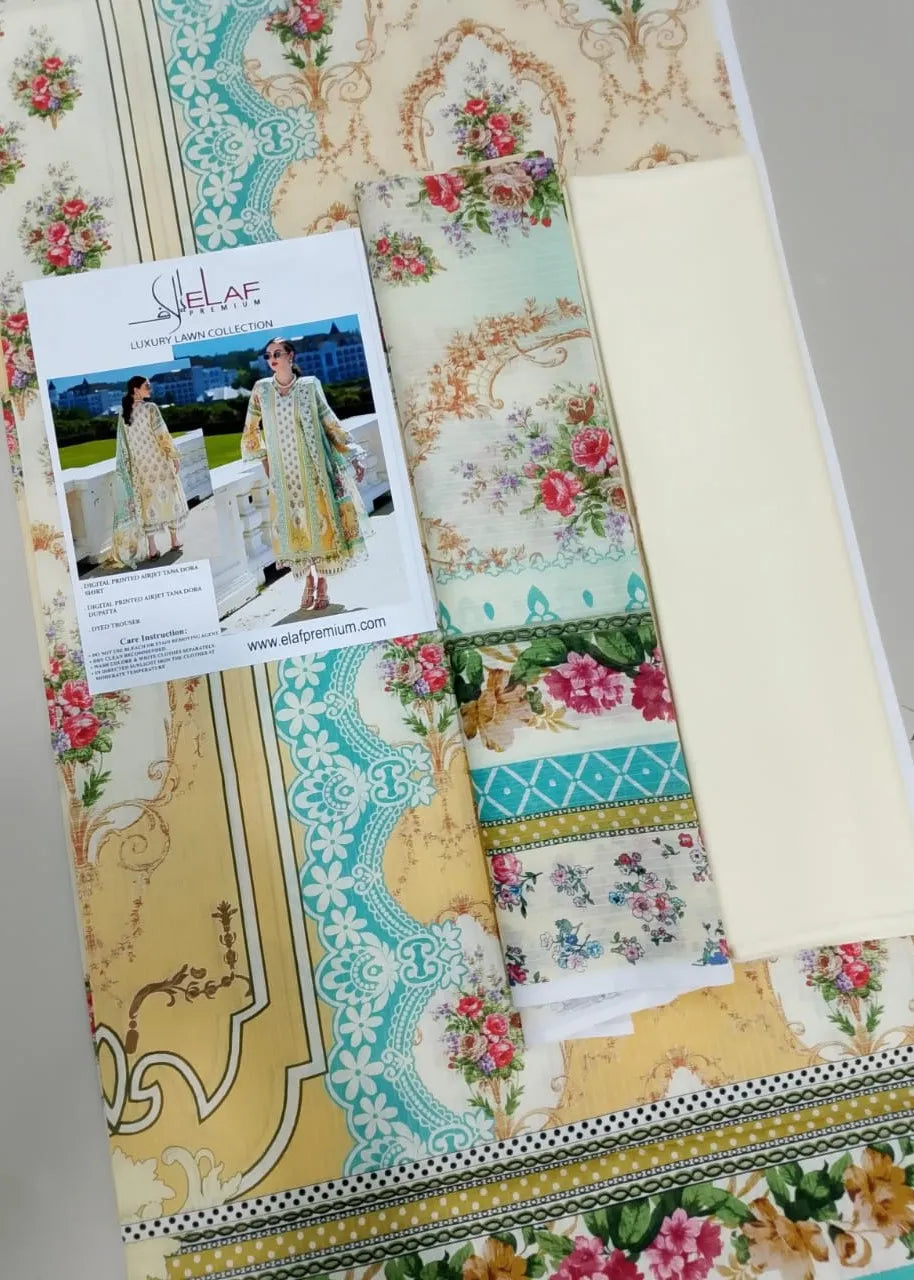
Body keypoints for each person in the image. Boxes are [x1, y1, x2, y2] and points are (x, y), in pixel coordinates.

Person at [241, 337, 369, 612]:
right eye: (268, 355)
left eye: (277, 353)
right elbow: (251, 429)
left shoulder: (309, 386)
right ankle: (307, 580)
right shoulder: (261, 390)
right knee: (296, 528)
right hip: (283, 474)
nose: (272, 359)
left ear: (291, 356)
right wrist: (265, 462)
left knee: (320, 526)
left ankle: (322, 582)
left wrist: (354, 454)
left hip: (314, 470)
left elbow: (329, 422)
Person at [111, 375, 188, 567]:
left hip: (140, 468)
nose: (150, 389)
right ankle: (174, 540)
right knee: (169, 498)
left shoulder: (123, 413)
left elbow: (124, 445)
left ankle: (152, 548)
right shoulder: (151, 408)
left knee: (147, 505)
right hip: (159, 463)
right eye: (147, 386)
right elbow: (162, 435)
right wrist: (174, 455)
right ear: (135, 389)